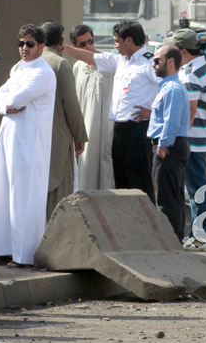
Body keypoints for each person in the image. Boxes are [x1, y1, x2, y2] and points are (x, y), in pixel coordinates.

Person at [0, 25, 57, 268]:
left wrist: (7, 102)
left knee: (24, 196)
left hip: (29, 142)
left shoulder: (44, 72)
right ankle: (1, 249)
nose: (24, 48)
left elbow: (15, 98)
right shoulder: (19, 69)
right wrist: (6, 106)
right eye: (21, 43)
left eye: (30, 44)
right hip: (9, 136)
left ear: (41, 47)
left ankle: (23, 256)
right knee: (2, 191)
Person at [62, 20, 157, 202]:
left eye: (117, 41)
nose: (115, 45)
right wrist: (63, 48)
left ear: (128, 41)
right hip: (119, 131)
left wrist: (152, 113)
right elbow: (90, 57)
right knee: (121, 185)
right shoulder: (120, 61)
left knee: (140, 184)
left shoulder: (149, 63)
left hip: (138, 130)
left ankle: (148, 226)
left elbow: (170, 89)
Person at [164, 29, 206, 248]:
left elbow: (190, 111)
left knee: (197, 189)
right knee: (196, 189)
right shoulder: (200, 67)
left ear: (182, 51)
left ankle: (202, 236)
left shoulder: (192, 73)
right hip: (198, 138)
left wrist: (179, 139)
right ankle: (200, 235)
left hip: (193, 140)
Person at [39, 21, 88, 220]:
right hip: (57, 136)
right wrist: (79, 136)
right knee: (59, 190)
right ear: (61, 42)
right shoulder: (60, 64)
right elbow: (71, 104)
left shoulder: (26, 63)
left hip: (31, 137)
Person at [148, 45, 190, 241]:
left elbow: (171, 121)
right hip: (172, 145)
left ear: (170, 62)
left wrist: (163, 145)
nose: (154, 64)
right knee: (173, 195)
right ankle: (175, 239)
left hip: (170, 146)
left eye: (157, 60)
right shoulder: (167, 86)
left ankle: (170, 242)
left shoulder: (172, 88)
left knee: (167, 199)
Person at [70, 24, 115, 191]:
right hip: (84, 131)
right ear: (74, 47)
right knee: (84, 168)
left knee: (104, 168)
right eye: (82, 45)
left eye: (90, 41)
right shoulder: (77, 67)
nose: (88, 47)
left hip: (105, 129)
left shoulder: (108, 63)